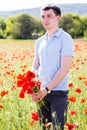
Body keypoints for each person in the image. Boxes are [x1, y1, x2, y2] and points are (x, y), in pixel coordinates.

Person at [31, 4, 74, 130]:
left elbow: (65, 68)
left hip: (58, 93)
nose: (45, 20)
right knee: (45, 128)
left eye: (49, 16)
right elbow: (34, 67)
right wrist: (32, 88)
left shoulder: (65, 38)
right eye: (43, 16)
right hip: (41, 93)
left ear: (58, 17)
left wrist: (47, 89)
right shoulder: (39, 41)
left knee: (58, 128)